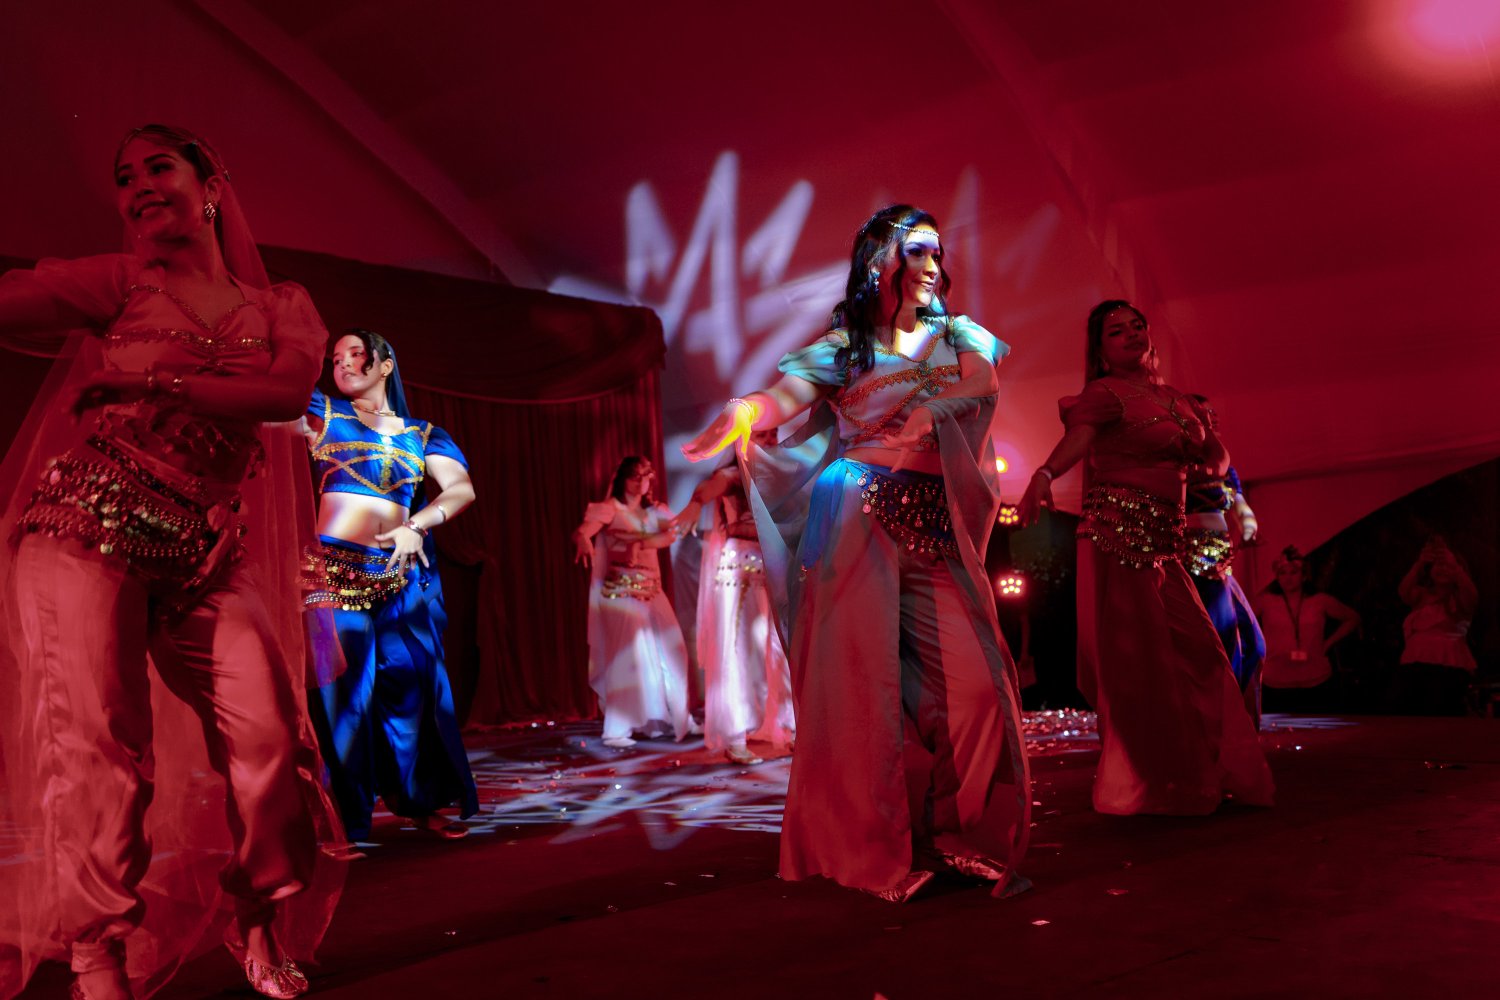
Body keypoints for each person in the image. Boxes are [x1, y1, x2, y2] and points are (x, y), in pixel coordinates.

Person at [0, 125, 341, 1000]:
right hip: (85, 528)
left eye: (160, 167)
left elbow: (286, 393)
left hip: (204, 548)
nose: (140, 186)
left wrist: (153, 383)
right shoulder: (120, 282)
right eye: (126, 177)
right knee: (103, 749)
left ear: (212, 184)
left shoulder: (280, 306)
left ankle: (254, 910)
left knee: (273, 743)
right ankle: (95, 958)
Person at [682, 205, 1031, 903]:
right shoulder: (845, 348)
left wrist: (932, 410)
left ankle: (954, 836)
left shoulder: (957, 334)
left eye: (937, 253)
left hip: (934, 524)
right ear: (881, 262)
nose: (933, 266)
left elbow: (982, 382)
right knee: (862, 694)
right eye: (918, 251)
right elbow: (784, 397)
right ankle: (874, 849)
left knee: (974, 688)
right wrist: (746, 408)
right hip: (854, 518)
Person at [1019, 300, 1273, 816]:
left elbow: (1217, 461)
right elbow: (1078, 438)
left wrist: (1205, 439)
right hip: (1118, 538)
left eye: (1137, 326)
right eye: (1117, 331)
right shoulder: (1103, 393)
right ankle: (1150, 781)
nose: (1132, 334)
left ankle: (1207, 769)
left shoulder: (1175, 398)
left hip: (1167, 546)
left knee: (1204, 656)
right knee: (1139, 667)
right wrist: (1044, 474)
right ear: (1100, 350)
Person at [302, 329, 479, 843]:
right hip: (333, 576)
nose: (342, 364)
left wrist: (417, 524)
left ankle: (419, 801)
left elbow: (460, 489)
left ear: (384, 365)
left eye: (355, 354)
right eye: (335, 358)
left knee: (411, 692)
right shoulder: (322, 413)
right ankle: (344, 822)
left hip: (399, 577)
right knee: (343, 700)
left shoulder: (423, 434)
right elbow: (269, 409)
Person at [674, 431, 795, 764]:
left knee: (780, 647)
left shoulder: (780, 474)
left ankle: (789, 727)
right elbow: (707, 489)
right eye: (761, 434)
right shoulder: (731, 474)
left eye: (772, 434)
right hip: (740, 565)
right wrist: (694, 504)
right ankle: (735, 735)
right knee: (738, 649)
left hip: (773, 564)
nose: (769, 441)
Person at [573, 456, 693, 748]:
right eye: (634, 476)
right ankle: (617, 729)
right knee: (629, 658)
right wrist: (583, 539)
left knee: (673, 651)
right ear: (623, 479)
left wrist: (640, 541)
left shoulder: (656, 511)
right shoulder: (610, 509)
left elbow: (673, 532)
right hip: (620, 594)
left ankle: (672, 718)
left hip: (652, 590)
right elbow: (583, 530)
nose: (641, 483)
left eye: (645, 476)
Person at [1182, 395, 1265, 725]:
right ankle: (1220, 724)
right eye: (1203, 414)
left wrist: (1249, 527)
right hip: (1193, 562)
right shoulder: (1177, 463)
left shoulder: (1225, 468)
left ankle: (1237, 722)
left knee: (1253, 644)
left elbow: (1241, 507)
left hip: (1220, 564)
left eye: (1213, 414)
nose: (1211, 418)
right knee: (1221, 643)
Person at [1255, 546, 1361, 714]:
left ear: (1304, 575)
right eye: (1283, 573)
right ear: (1276, 577)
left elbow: (1352, 618)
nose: (1288, 578)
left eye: (1293, 572)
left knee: (1315, 727)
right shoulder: (1265, 601)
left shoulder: (1320, 601)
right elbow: (1238, 620)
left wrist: (1327, 644)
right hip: (1276, 680)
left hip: (1316, 679)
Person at [1389, 536, 1478, 715]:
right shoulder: (1421, 595)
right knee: (1402, 712)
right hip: (1414, 662)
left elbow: (1472, 597)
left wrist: (1455, 567)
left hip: (1447, 667)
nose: (1442, 569)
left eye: (1447, 566)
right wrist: (1419, 563)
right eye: (1438, 565)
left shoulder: (1459, 599)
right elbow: (1403, 591)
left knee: (1435, 712)